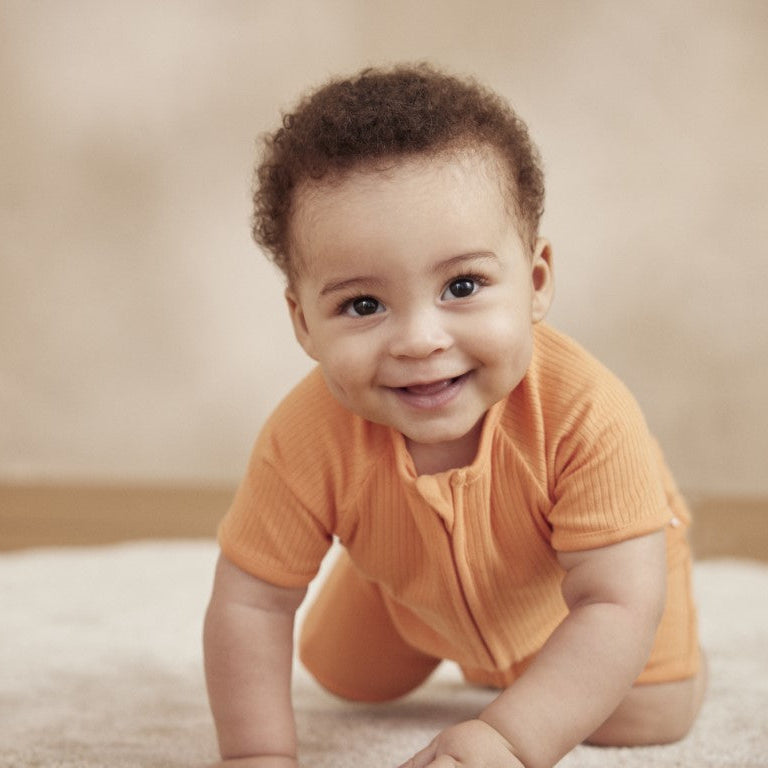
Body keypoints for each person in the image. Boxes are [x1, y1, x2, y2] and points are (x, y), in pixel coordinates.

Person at [203, 64, 706, 768]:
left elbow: (616, 603)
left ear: (535, 282)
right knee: (342, 676)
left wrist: (505, 737)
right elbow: (252, 603)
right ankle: (396, 579)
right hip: (415, 589)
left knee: (648, 714)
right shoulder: (306, 437)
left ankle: (539, 665)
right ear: (304, 322)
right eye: (363, 305)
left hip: (586, 594)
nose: (419, 340)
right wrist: (256, 755)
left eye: (462, 286)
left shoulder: (585, 412)